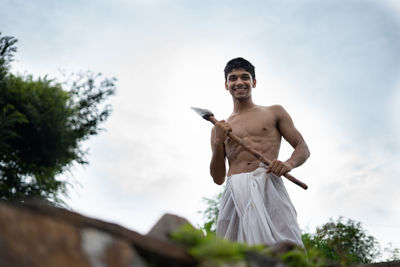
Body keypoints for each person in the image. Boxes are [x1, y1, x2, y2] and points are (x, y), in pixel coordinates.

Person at [210, 57, 310, 247]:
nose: (239, 82)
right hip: (235, 192)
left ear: (254, 82)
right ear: (226, 85)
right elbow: (218, 178)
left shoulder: (274, 112)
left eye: (245, 77)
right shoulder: (219, 129)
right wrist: (218, 143)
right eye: (233, 78)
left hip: (268, 185)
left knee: (286, 246)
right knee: (234, 254)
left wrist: (288, 163)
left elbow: (302, 147)